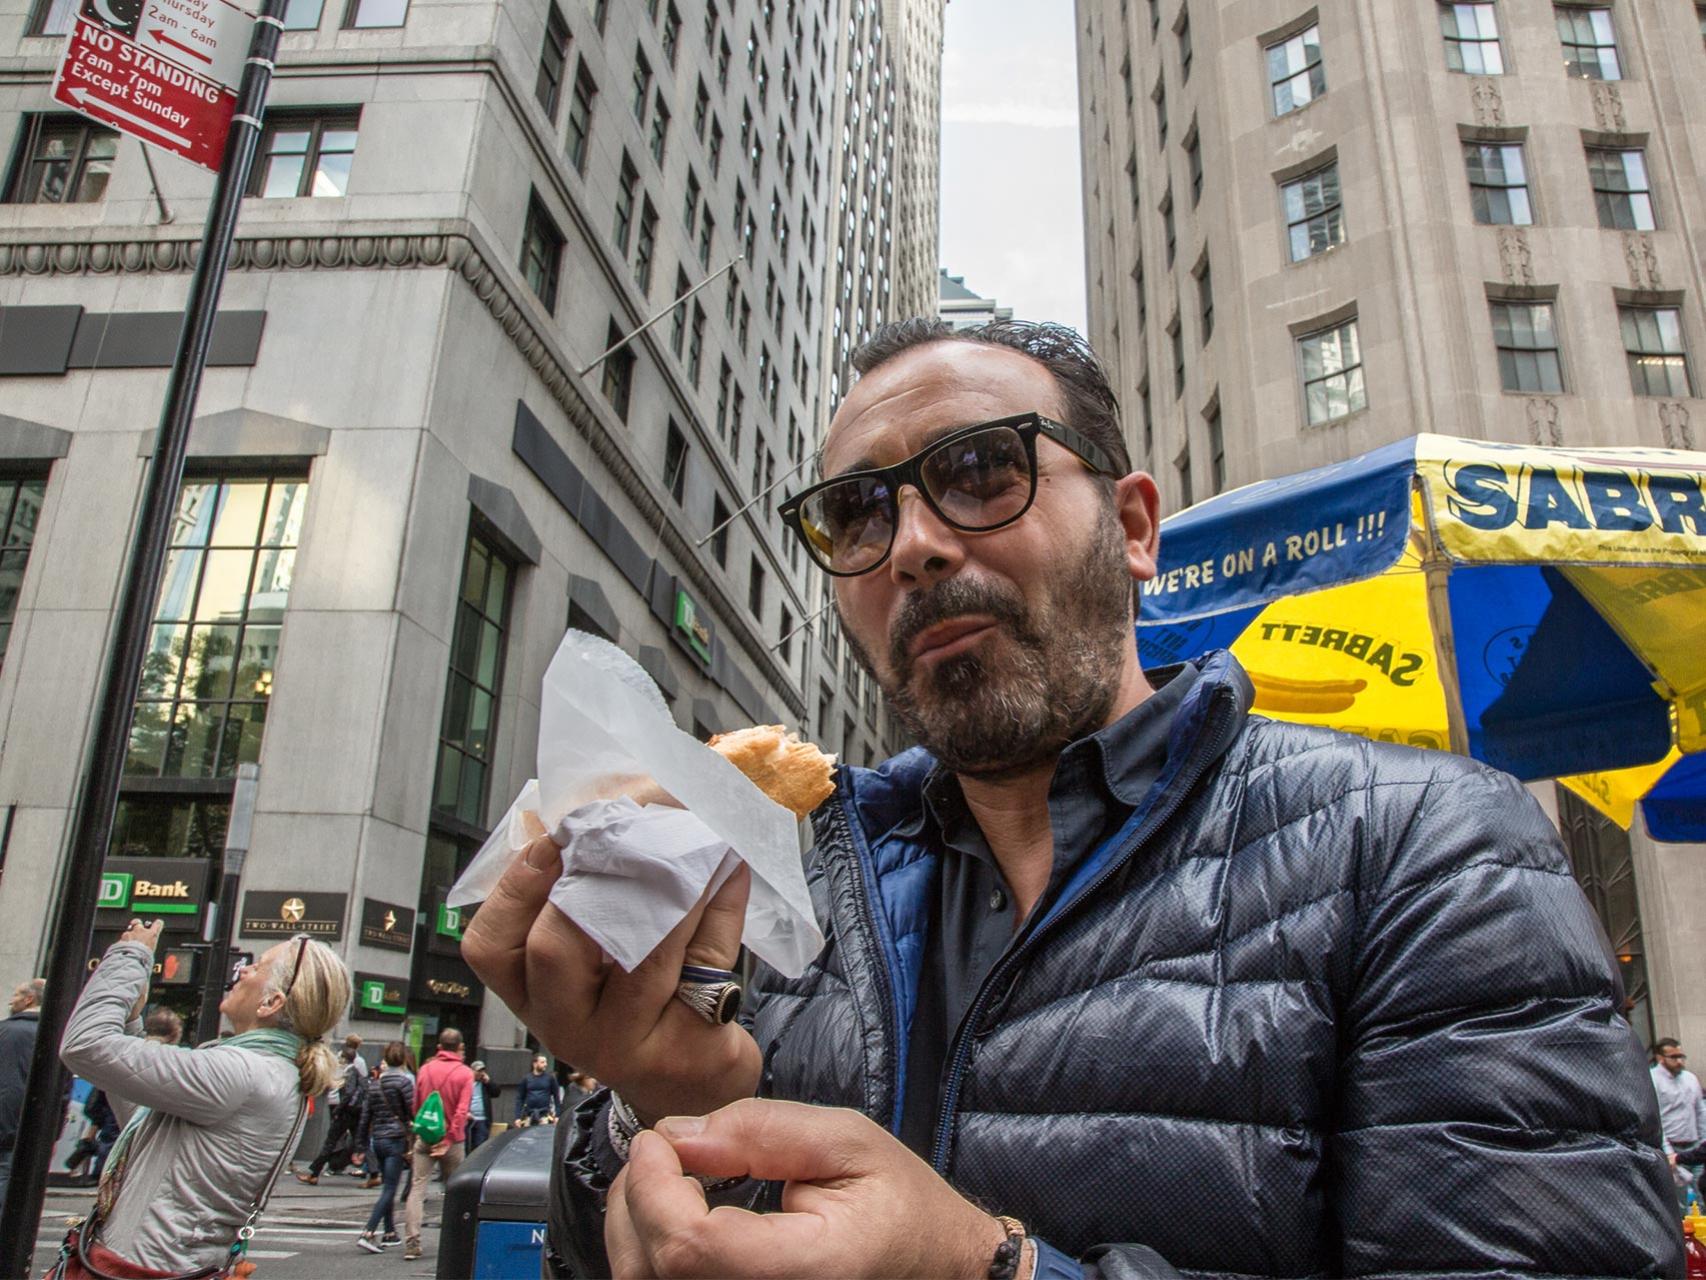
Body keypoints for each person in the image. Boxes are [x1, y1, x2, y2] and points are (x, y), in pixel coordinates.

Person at [464, 318, 1681, 1279]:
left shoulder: (1425, 849)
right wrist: (655, 1107)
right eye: (857, 511)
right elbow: (602, 1242)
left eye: (980, 468)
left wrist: (985, 1267)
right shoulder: (785, 895)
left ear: (1134, 525)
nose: (913, 547)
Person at [57, 918, 351, 1274]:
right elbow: (144, 1123)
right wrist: (133, 1021)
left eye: (257, 967)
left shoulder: (241, 1070)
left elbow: (85, 1045)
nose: (242, 971)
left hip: (138, 1267)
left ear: (271, 1002)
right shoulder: (270, 1071)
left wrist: (131, 955)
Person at [402, 1027, 473, 1261]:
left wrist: (418, 1133)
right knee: (454, 1191)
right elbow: (462, 1110)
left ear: (439, 1047)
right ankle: (454, 1243)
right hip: (452, 1141)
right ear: (460, 1047)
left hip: (426, 1136)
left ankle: (412, 1240)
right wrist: (450, 1138)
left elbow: (417, 1104)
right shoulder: (464, 1074)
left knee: (417, 1188)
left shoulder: (425, 1069)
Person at [354, 1041, 414, 1253]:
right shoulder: (405, 1083)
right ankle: (368, 1231)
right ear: (403, 1059)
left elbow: (365, 1117)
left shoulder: (375, 1084)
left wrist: (360, 1146)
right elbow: (411, 1111)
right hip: (396, 1139)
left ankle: (389, 1232)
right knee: (390, 1187)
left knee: (388, 1185)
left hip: (377, 1139)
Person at [0, 977, 45, 1206]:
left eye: (16, 995)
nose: (11, 1000)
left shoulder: (4, 1030)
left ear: (29, 999)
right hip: (32, 1126)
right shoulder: (52, 1036)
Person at [296, 1041, 366, 1184]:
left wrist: (339, 1110)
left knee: (331, 1141)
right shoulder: (354, 1071)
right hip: (354, 1112)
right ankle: (375, 1172)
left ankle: (314, 1173)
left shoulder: (350, 1072)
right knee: (359, 1141)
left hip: (345, 1112)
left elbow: (348, 1093)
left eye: (340, 1057)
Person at [1652, 1038, 1706, 1207]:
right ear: (1660, 1058)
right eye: (1673, 1057)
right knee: (1680, 1204)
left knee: (1702, 1197)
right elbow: (1655, 1119)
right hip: (1671, 1147)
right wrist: (1669, 1153)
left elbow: (1700, 1111)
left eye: (1681, 1056)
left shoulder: (1690, 1078)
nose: (1679, 1061)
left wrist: (1703, 1141)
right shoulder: (1653, 1079)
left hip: (1695, 1145)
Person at [513, 1053, 561, 1127]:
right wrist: (517, 1117)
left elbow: (557, 1097)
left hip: (544, 1115)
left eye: (546, 1062)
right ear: (535, 1064)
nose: (545, 1064)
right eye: (542, 1062)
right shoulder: (526, 1079)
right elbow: (520, 1098)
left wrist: (557, 1115)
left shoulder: (550, 1078)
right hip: (529, 1115)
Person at [466, 1060, 500, 1152]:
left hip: (482, 1119)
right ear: (472, 1071)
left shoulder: (485, 1084)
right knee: (467, 1145)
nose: (481, 1073)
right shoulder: (466, 1083)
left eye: (483, 1071)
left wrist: (489, 1082)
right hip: (469, 1118)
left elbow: (496, 1093)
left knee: (480, 1146)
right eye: (478, 1071)